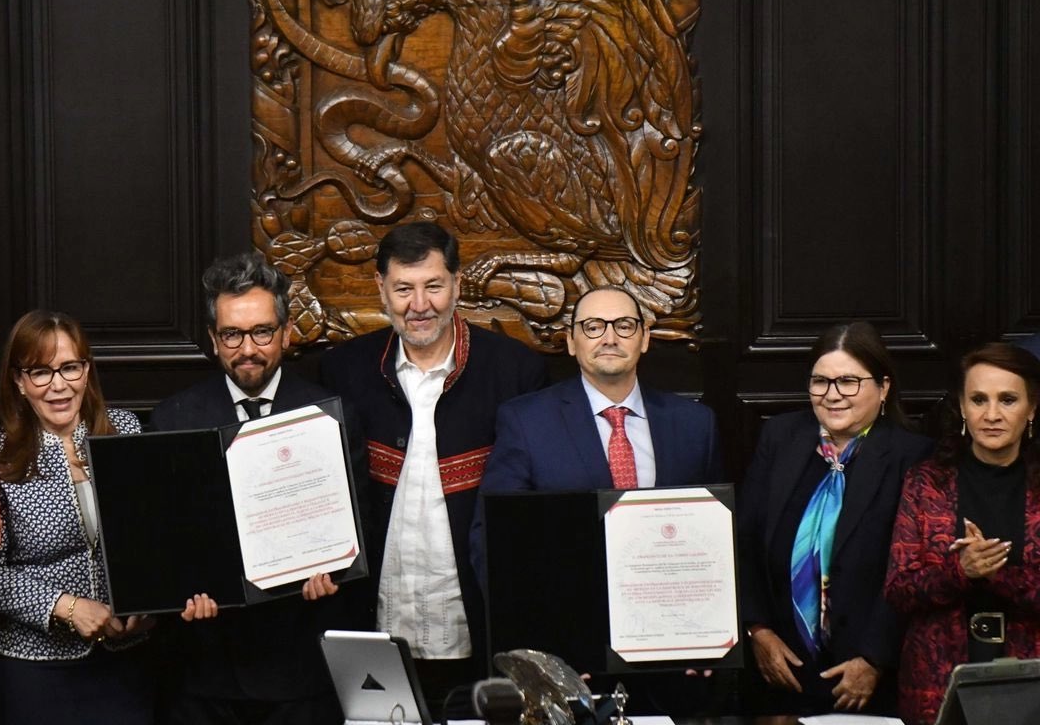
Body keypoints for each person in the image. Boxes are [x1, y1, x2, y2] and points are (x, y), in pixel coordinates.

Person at [318, 221, 547, 713]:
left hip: (477, 627)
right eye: (403, 289)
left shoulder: (515, 371)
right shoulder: (345, 370)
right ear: (381, 289)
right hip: (375, 623)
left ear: (457, 285)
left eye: (433, 286)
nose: (419, 305)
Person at [471, 284, 723, 714]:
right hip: (568, 661)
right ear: (571, 341)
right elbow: (494, 542)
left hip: (672, 663)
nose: (610, 337)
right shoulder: (526, 422)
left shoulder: (694, 424)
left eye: (624, 325)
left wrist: (710, 639)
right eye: (593, 326)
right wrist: (542, 654)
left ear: (644, 338)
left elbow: (717, 540)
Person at [150, 252, 365, 725]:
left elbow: (361, 526)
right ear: (213, 340)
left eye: (262, 332)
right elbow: (162, 538)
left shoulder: (329, 415)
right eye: (232, 334)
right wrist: (181, 593)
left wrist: (334, 573)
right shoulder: (172, 420)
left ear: (286, 333)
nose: (248, 348)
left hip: (301, 671)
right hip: (205, 672)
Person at [737, 321, 931, 716]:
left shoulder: (913, 456)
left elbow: (912, 572)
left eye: (848, 382)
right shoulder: (780, 438)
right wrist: (759, 631)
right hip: (781, 673)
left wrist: (874, 659)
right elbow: (745, 542)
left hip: (866, 678)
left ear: (884, 387)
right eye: (820, 382)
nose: (832, 395)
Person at [0, 310, 154, 723]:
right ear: (19, 382)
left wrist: (149, 610)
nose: (59, 385)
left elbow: (151, 539)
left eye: (70, 367)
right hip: (35, 667)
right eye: (40, 372)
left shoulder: (125, 433)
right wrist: (68, 607)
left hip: (125, 661)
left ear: (86, 371)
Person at [885, 343, 1040, 725]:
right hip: (936, 681)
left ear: (1032, 409)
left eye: (1007, 400)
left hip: (1032, 678)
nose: (991, 414)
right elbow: (898, 589)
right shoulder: (927, 482)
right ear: (962, 408)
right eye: (978, 399)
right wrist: (960, 571)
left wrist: (997, 574)